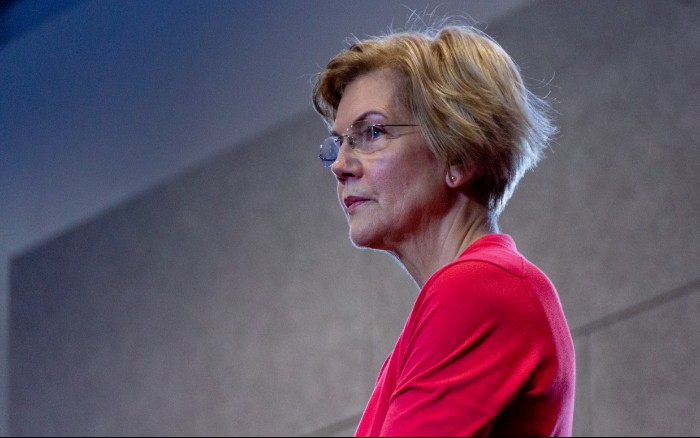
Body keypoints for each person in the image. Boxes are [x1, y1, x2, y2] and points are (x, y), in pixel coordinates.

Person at [311, 20, 575, 437]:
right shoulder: (471, 293)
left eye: (372, 132)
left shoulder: (478, 287)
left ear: (457, 156)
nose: (341, 166)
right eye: (338, 143)